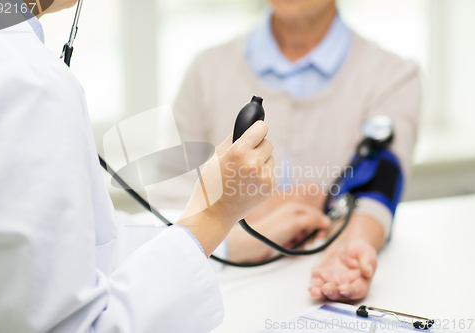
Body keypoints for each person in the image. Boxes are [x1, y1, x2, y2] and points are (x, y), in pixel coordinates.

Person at [0, 1, 275, 332]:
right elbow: (74, 326)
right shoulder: (28, 83)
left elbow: (88, 242)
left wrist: (225, 238)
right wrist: (216, 216)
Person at [158, 0, 422, 301]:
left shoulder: (394, 77)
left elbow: (377, 191)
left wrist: (352, 249)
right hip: (219, 298)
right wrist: (259, 214)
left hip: (310, 301)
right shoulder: (205, 72)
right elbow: (167, 210)